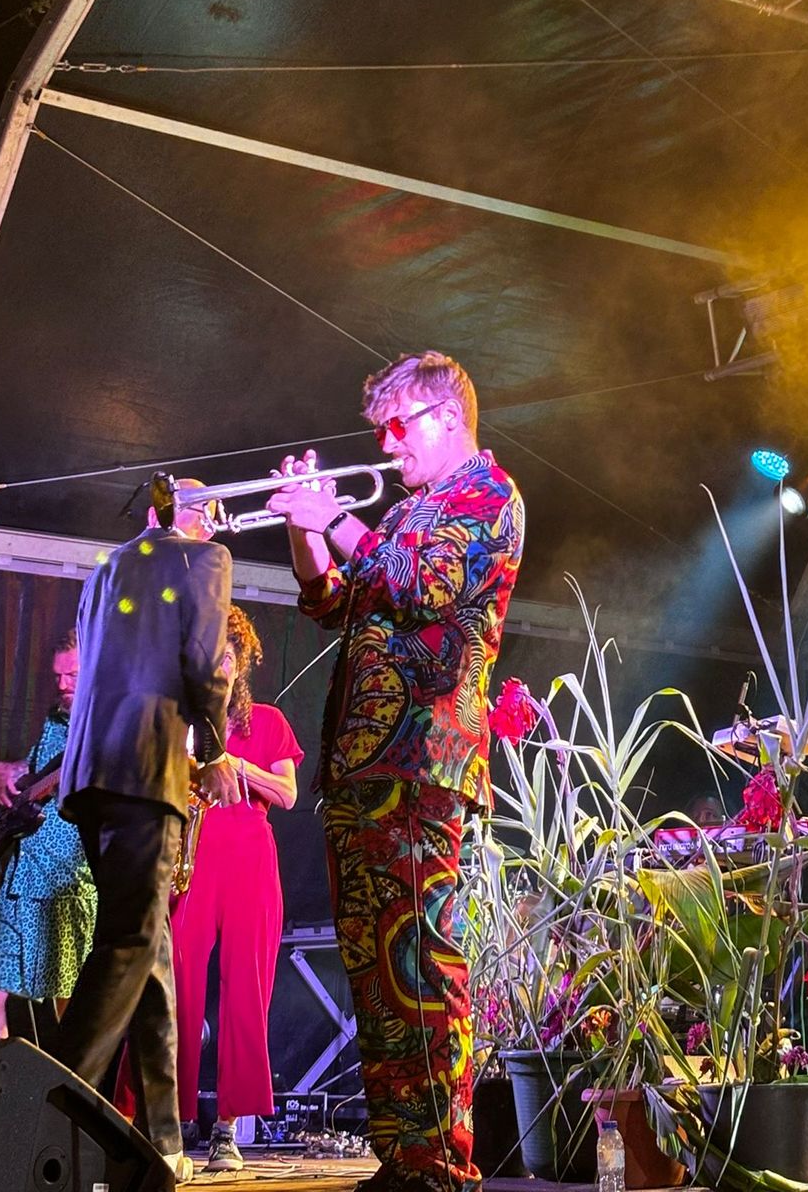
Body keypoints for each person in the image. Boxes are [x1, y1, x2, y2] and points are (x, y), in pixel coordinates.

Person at [270, 350, 525, 1192]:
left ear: (448, 416)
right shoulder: (410, 510)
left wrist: (337, 516)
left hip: (422, 760)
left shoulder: (486, 495)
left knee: (419, 966)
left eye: (397, 425)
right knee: (376, 980)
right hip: (362, 765)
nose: (386, 445)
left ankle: (442, 1166)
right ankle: (404, 1159)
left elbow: (423, 587)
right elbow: (330, 602)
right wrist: (306, 525)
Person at [55, 478, 241, 1185]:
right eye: (208, 508)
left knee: (153, 954)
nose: (217, 520)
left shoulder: (107, 567)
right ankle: (46, 1108)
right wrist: (214, 750)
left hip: (92, 774)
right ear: (181, 512)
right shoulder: (204, 558)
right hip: (146, 769)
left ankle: (162, 1140)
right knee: (130, 942)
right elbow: (204, 660)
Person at [161, 604, 304, 1170]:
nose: (217, 667)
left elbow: (288, 794)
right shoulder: (184, 722)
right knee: (176, 985)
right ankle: (167, 1122)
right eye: (208, 657)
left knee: (247, 988)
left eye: (226, 657)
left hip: (249, 859)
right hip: (192, 856)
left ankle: (226, 1129)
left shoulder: (266, 721)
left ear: (241, 663)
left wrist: (236, 766)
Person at [0, 632, 96, 1037]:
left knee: (71, 1008)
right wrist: (2, 772)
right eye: (57, 676)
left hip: (67, 885)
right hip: (22, 879)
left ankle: (70, 1080)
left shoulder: (107, 726)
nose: (62, 684)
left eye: (72, 675)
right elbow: (34, 775)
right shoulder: (55, 718)